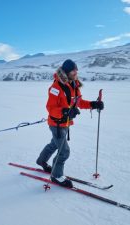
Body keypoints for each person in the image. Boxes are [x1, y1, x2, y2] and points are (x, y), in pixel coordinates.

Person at [36, 59, 104, 188]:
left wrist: (93, 104)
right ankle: (56, 175)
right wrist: (65, 111)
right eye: (73, 70)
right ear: (67, 71)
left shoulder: (74, 85)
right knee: (64, 151)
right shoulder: (56, 87)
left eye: (76, 69)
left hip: (66, 123)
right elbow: (50, 108)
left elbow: (78, 102)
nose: (76, 72)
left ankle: (41, 161)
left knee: (54, 144)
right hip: (56, 124)